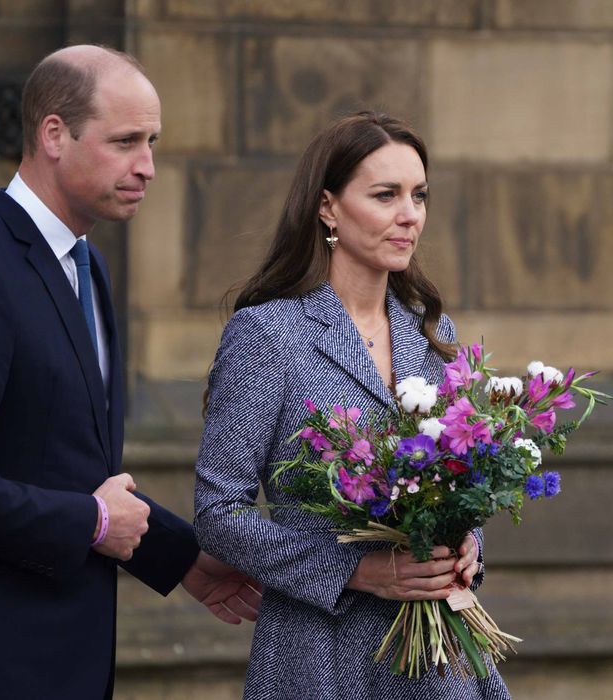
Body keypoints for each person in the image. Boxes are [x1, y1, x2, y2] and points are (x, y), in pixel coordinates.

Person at [0, 45, 261, 699]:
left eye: (152, 143)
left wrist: (182, 558)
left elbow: (69, 466)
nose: (148, 166)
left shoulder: (87, 265)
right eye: (126, 141)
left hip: (63, 658)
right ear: (54, 134)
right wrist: (92, 523)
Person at [193, 112, 512, 699]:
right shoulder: (267, 334)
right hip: (321, 656)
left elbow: (456, 481)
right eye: (386, 195)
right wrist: (359, 571)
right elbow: (219, 515)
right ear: (328, 207)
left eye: (419, 195)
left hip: (438, 664)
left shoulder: (432, 333)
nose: (410, 214)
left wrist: (465, 544)